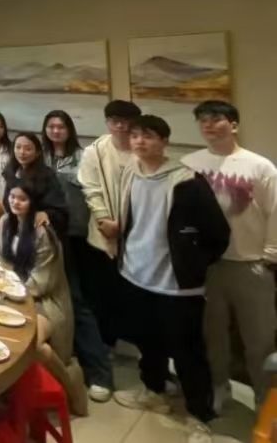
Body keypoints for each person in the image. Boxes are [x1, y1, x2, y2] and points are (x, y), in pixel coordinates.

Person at [112, 116, 229, 441]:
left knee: (188, 351)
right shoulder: (130, 173)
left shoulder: (188, 181)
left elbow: (218, 234)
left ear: (164, 141)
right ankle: (154, 391)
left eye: (148, 136)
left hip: (176, 285)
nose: (139, 142)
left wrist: (193, 264)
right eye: (135, 135)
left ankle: (199, 415)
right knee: (147, 342)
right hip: (135, 274)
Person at [182, 100, 277, 408]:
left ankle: (265, 399)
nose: (208, 124)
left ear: (233, 125)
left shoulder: (260, 166)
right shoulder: (190, 164)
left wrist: (270, 256)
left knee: (259, 340)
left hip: (251, 264)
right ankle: (219, 387)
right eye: (203, 120)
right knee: (214, 336)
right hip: (209, 266)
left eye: (216, 118)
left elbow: (275, 212)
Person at [43, 110, 114, 403]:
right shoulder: (42, 157)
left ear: (69, 130)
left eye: (61, 126)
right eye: (51, 126)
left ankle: (99, 373)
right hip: (46, 237)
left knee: (77, 300)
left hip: (75, 236)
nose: (56, 131)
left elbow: (96, 194)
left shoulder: (84, 158)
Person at [0, 181, 81, 415]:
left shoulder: (43, 232)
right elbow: (0, 259)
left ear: (33, 203)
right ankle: (5, 391)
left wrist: (12, 292)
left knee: (34, 344)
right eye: (12, 197)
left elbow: (43, 281)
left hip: (42, 300)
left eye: (22, 199)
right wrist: (2, 285)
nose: (15, 202)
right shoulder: (4, 222)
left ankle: (69, 387)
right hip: (12, 292)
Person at [77, 99, 141, 346]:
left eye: (126, 121)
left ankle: (136, 345)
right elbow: (91, 188)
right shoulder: (95, 151)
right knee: (103, 293)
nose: (121, 127)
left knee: (134, 295)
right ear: (108, 123)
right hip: (104, 233)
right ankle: (106, 345)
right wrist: (105, 219)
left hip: (138, 235)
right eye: (115, 121)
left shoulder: (142, 148)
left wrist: (128, 224)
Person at [2, 132, 69, 240]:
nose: (22, 152)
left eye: (28, 149)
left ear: (37, 153)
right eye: (18, 147)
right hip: (15, 227)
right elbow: (6, 202)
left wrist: (46, 214)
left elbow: (60, 209)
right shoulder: (11, 172)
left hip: (38, 229)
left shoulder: (47, 175)